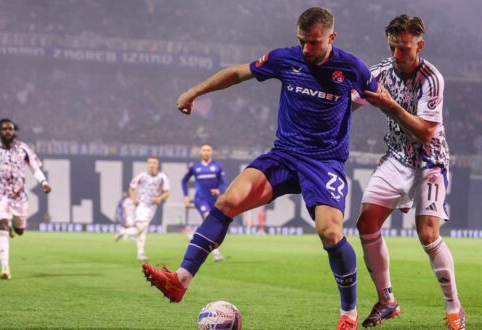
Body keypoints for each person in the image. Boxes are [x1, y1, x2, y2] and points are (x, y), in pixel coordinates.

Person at [141, 7, 379, 329]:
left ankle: (348, 316)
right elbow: (238, 73)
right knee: (227, 201)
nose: (307, 49)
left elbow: (385, 100)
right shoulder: (286, 58)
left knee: (331, 232)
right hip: (284, 154)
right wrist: (194, 91)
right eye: (302, 41)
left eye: (314, 42)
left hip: (324, 163)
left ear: (331, 38)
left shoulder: (352, 67)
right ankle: (180, 280)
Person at [351, 15, 465, 329]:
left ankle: (454, 308)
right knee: (366, 223)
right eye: (393, 48)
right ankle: (387, 300)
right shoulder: (380, 72)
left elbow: (426, 132)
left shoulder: (431, 77)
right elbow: (351, 100)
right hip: (397, 157)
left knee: (427, 234)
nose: (398, 55)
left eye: (404, 49)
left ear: (419, 45)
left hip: (429, 160)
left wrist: (391, 106)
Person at [0, 118, 51, 279]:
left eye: (11, 129)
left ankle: (14, 226)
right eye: (5, 129)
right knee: (2, 224)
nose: (8, 131)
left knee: (20, 230)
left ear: (14, 132)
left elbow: (35, 168)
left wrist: (44, 181)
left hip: (19, 196)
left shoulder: (23, 149)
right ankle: (5, 267)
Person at [181, 143, 226, 261]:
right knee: (209, 220)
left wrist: (219, 190)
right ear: (200, 152)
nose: (206, 152)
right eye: (204, 150)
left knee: (210, 226)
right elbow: (184, 181)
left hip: (214, 201)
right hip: (200, 199)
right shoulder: (195, 167)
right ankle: (216, 253)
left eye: (208, 150)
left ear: (211, 152)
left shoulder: (218, 167)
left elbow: (223, 183)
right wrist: (186, 196)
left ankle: (194, 235)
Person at [129, 157, 170, 261]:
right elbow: (131, 187)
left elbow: (167, 191)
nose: (152, 165)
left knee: (142, 228)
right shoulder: (142, 176)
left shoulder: (162, 177)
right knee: (142, 226)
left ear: (157, 164)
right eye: (150, 163)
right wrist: (134, 199)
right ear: (147, 164)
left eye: (154, 163)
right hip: (141, 204)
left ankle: (127, 234)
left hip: (152, 206)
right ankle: (139, 251)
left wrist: (160, 198)